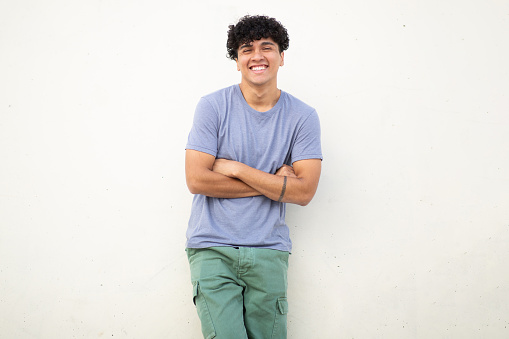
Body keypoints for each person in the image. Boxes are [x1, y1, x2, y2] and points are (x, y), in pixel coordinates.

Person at [184, 14, 322, 339]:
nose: (257, 56)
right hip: (212, 248)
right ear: (237, 61)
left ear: (281, 57)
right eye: (247, 49)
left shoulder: (303, 117)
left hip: (269, 249)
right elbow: (197, 180)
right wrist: (274, 184)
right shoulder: (212, 107)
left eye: (267, 47)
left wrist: (235, 168)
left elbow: (304, 192)